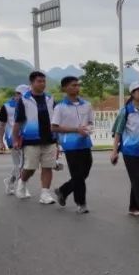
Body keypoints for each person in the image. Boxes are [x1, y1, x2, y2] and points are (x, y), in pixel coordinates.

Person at [12, 71, 58, 204]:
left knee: (48, 166)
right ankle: (22, 182)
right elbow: (18, 122)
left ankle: (45, 194)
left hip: (49, 138)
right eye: (39, 81)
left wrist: (58, 140)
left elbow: (56, 119)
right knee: (30, 167)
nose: (42, 84)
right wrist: (15, 139)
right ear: (31, 83)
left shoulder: (50, 98)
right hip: (31, 139)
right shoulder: (24, 100)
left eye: (44, 81)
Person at [51, 76, 94, 213]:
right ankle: (81, 204)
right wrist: (76, 130)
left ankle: (63, 190)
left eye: (77, 85)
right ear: (65, 88)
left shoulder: (87, 105)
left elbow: (90, 122)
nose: (77, 87)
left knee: (84, 173)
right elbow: (54, 127)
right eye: (73, 85)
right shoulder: (60, 107)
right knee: (78, 174)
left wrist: (87, 129)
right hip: (70, 145)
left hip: (85, 142)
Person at [110, 80, 139, 217]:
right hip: (130, 151)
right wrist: (114, 151)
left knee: (137, 179)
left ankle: (133, 207)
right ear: (133, 93)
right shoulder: (126, 111)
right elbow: (118, 132)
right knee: (138, 179)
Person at [0, 84, 30, 195]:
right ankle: (21, 187)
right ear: (17, 94)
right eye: (22, 95)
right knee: (20, 164)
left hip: (26, 138)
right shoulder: (6, 107)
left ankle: (11, 182)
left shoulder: (28, 106)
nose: (25, 97)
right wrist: (1, 142)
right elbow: (2, 125)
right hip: (12, 139)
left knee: (25, 165)